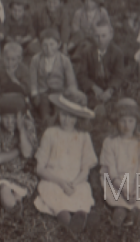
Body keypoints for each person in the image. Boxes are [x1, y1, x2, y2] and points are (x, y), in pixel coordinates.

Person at [33, 90, 99, 232]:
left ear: (78, 118)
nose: (66, 120)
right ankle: (65, 217)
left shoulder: (83, 136)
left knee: (82, 192)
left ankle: (82, 216)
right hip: (54, 179)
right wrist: (61, 183)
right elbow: (39, 168)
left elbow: (85, 170)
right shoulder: (50, 133)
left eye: (71, 117)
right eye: (63, 114)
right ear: (58, 113)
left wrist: (73, 184)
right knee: (52, 193)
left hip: (75, 181)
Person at [0, 93, 39, 212]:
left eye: (14, 117)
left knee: (19, 192)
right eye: (6, 117)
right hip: (0, 172)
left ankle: (15, 207)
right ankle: (11, 207)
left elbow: (27, 153)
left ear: (22, 117)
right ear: (0, 117)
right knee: (4, 188)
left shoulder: (27, 127)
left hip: (20, 173)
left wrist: (21, 130)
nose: (10, 122)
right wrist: (18, 150)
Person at [98, 98, 140, 227]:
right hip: (118, 181)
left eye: (131, 121)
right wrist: (124, 190)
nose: (127, 125)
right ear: (116, 122)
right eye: (122, 121)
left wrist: (136, 189)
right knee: (113, 190)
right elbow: (111, 170)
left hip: (138, 179)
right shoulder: (110, 142)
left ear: (136, 122)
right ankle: (122, 210)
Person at [74, 24, 126, 117]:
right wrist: (94, 87)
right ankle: (95, 109)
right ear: (92, 36)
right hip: (93, 87)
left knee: (118, 105)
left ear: (111, 35)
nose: (100, 40)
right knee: (87, 101)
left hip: (110, 88)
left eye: (103, 36)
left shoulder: (117, 53)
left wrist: (109, 90)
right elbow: (81, 74)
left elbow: (118, 75)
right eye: (97, 36)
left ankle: (108, 111)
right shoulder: (86, 52)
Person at [30, 28, 79, 121]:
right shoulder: (36, 59)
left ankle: (56, 118)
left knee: (59, 110)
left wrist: (70, 92)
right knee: (44, 108)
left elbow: (71, 81)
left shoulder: (64, 60)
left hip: (59, 91)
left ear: (59, 44)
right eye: (45, 45)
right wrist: (35, 94)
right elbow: (33, 80)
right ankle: (46, 121)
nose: (48, 49)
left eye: (52, 44)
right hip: (43, 92)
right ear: (40, 45)